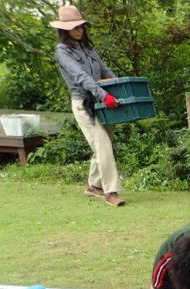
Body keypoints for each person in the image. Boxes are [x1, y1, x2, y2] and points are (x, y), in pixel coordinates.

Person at [51, 5, 125, 206]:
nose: (79, 30)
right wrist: (104, 95)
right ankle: (111, 191)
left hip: (101, 103)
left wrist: (120, 88)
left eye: (81, 26)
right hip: (83, 104)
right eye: (75, 27)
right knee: (103, 145)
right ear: (64, 29)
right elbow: (81, 77)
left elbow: (105, 71)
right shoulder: (62, 51)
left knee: (103, 143)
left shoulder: (88, 49)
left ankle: (93, 185)